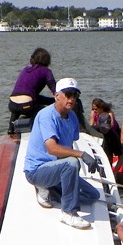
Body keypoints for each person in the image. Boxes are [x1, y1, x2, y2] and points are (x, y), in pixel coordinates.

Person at [23, 77, 101, 230]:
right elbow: (52, 148)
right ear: (56, 95)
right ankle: (68, 212)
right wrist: (82, 155)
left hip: (57, 168)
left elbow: (68, 145)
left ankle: (51, 190)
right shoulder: (46, 116)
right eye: (67, 94)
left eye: (75, 95)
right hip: (37, 170)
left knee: (93, 195)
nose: (71, 99)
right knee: (73, 162)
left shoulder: (72, 116)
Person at [8, 47, 56, 134]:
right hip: (27, 106)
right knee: (42, 110)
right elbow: (56, 92)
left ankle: (10, 129)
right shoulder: (46, 71)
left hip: (12, 105)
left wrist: (52, 101)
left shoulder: (25, 69)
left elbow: (30, 94)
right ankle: (34, 130)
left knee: (23, 103)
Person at [90, 98, 122, 164]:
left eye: (96, 109)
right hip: (101, 130)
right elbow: (91, 125)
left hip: (113, 131)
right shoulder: (94, 113)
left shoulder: (109, 113)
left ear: (101, 107)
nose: (94, 110)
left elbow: (111, 125)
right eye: (93, 109)